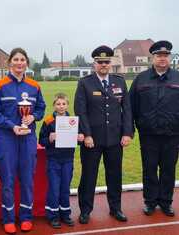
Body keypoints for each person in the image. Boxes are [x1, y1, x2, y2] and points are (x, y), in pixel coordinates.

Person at [0, 48, 46, 234]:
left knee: (28, 179)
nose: (19, 63)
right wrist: (12, 126)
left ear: (27, 63)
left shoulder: (34, 86)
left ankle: (26, 217)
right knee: (8, 181)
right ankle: (8, 218)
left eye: (22, 59)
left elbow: (40, 108)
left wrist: (33, 117)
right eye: (16, 59)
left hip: (28, 138)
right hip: (7, 139)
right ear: (9, 63)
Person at [74, 45, 133, 224]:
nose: (104, 65)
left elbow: (127, 109)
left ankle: (116, 208)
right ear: (94, 64)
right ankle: (85, 210)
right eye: (100, 62)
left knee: (115, 175)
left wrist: (127, 133)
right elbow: (80, 110)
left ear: (111, 63)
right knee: (89, 176)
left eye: (106, 62)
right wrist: (87, 134)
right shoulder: (85, 83)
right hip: (92, 139)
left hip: (115, 138)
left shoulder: (119, 81)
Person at [129, 40, 179, 217]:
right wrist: (131, 129)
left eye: (165, 55)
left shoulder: (177, 78)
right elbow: (130, 107)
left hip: (173, 134)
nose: (162, 58)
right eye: (159, 55)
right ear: (153, 58)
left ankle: (166, 202)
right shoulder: (141, 79)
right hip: (148, 134)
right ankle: (150, 202)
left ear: (170, 57)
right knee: (149, 169)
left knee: (168, 169)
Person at [39, 93, 84, 229]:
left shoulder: (73, 121)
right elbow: (41, 140)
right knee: (54, 188)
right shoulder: (48, 121)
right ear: (54, 105)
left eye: (63, 104)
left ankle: (65, 214)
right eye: (58, 104)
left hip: (68, 159)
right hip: (53, 160)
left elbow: (78, 139)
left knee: (65, 188)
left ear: (67, 105)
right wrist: (50, 139)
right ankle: (52, 216)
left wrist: (80, 138)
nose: (61, 106)